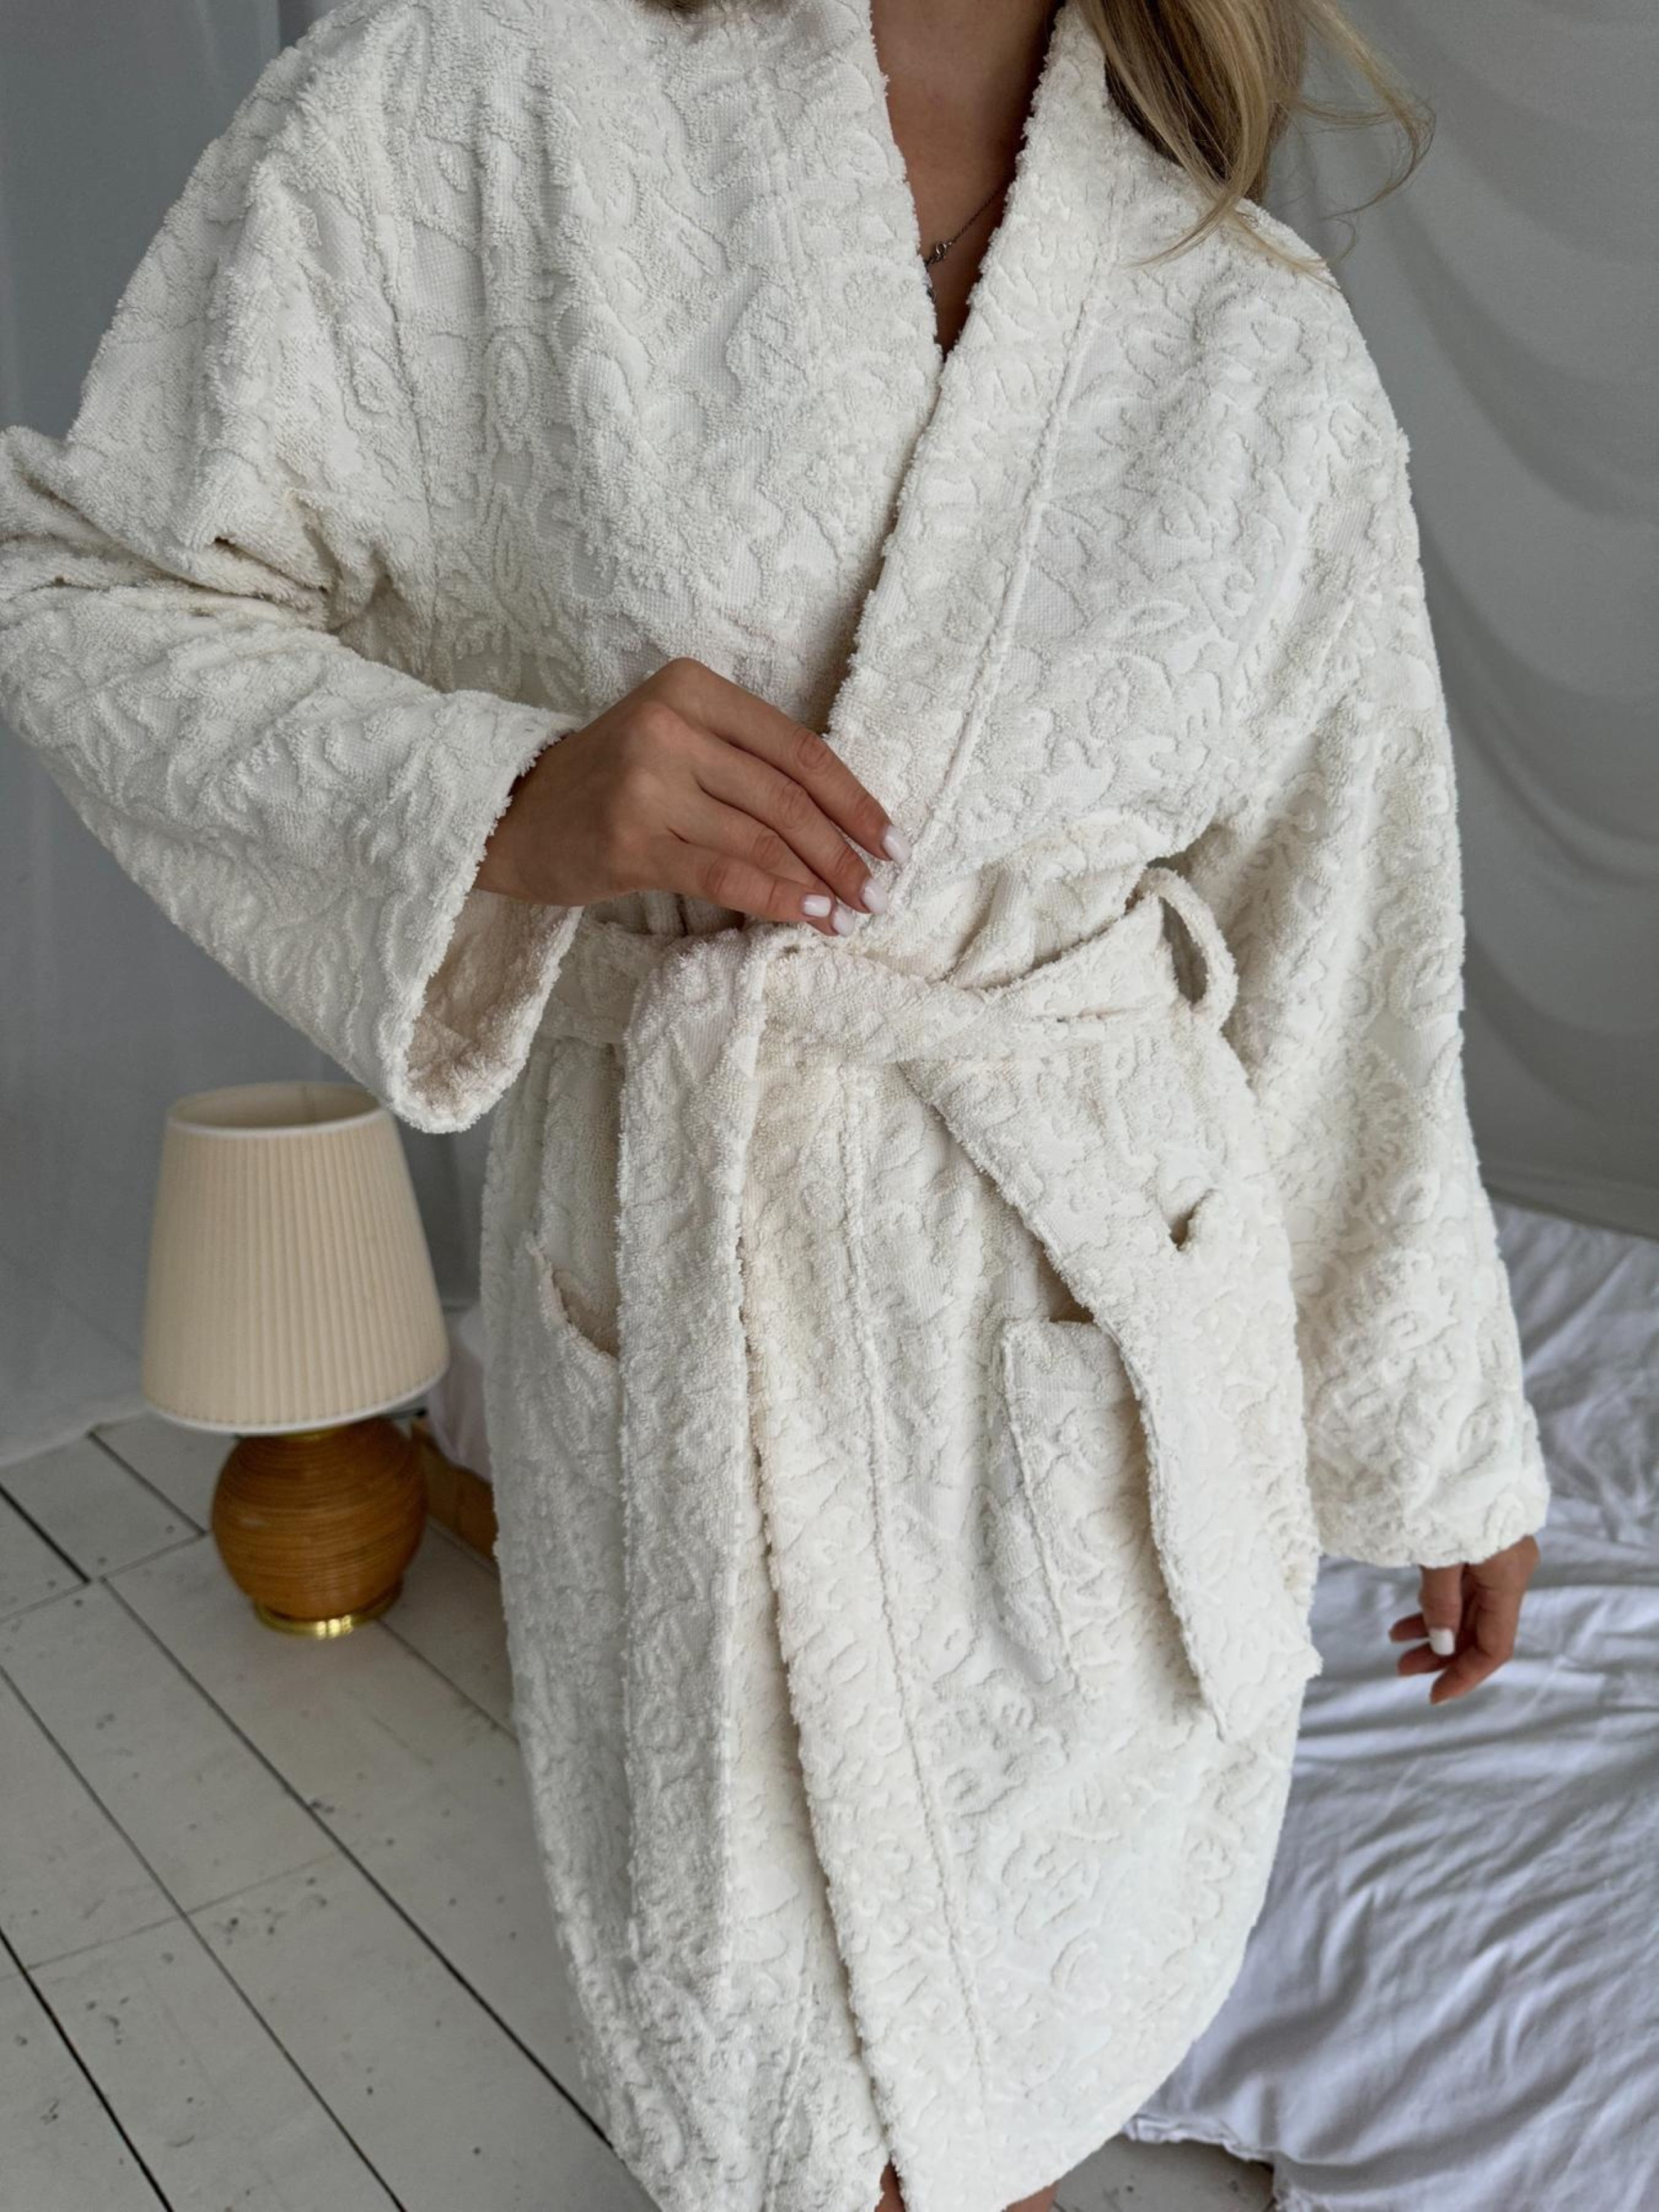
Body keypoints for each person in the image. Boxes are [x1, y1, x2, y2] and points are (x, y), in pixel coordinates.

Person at [0, 1, 1550, 2207]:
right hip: (710, 1312)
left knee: (1030, 2066)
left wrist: (1438, 1435)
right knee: (787, 2105)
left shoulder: (1244, 316)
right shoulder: (483, 102)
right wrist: (507, 798)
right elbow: (83, 594)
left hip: (1111, 1358)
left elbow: (1344, 929)